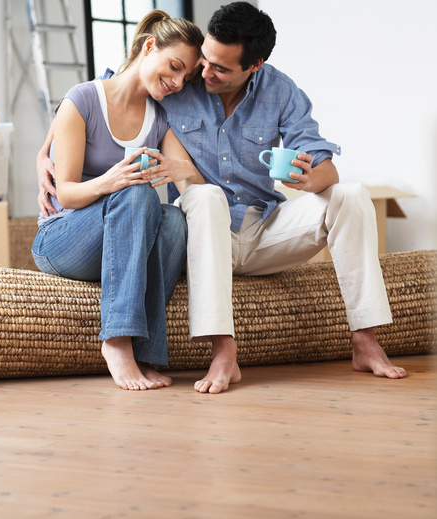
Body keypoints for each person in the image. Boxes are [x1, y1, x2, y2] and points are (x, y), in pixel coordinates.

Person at [38, 2, 407, 394]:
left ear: (254, 66)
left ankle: (365, 339)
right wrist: (44, 151)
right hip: (203, 227)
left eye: (219, 68)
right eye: (203, 61)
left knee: (351, 194)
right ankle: (221, 349)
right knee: (197, 197)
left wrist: (305, 179)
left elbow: (327, 170)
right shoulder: (180, 78)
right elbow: (116, 83)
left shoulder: (279, 91)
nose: (203, 73)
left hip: (261, 227)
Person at [32, 10, 205, 391]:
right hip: (62, 238)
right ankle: (116, 341)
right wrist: (111, 181)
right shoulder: (82, 100)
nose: (177, 82)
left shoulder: (159, 118)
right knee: (135, 192)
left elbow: (191, 178)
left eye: (185, 77)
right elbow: (66, 194)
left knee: (174, 220)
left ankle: (146, 352)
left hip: (119, 239)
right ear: (148, 46)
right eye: (174, 67)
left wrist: (178, 170)